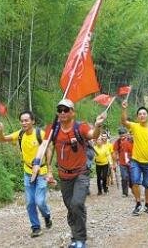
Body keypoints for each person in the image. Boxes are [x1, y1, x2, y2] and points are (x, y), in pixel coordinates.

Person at [39, 99, 106, 248]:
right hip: (64, 176)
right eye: (60, 110)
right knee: (71, 207)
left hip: (81, 173)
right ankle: (75, 236)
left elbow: (92, 135)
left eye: (66, 109)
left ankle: (80, 240)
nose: (63, 112)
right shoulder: (52, 129)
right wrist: (48, 170)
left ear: (72, 112)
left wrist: (98, 125)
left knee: (76, 204)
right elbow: (47, 148)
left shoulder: (79, 127)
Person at [0, 110, 52, 238]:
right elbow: (3, 139)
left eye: (26, 120)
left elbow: (48, 150)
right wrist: (0, 130)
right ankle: (36, 227)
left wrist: (49, 170)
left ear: (33, 121)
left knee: (40, 201)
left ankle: (47, 215)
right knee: (30, 202)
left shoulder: (40, 134)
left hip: (41, 172)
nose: (24, 123)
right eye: (22, 121)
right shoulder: (20, 134)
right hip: (28, 172)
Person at [121, 101, 148, 216]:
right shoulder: (135, 127)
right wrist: (124, 109)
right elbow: (124, 121)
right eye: (140, 114)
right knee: (135, 181)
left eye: (144, 113)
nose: (142, 115)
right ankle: (138, 203)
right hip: (136, 161)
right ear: (137, 117)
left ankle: (147, 204)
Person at [112, 127, 133, 197]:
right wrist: (114, 164)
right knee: (124, 177)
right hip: (122, 163)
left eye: (123, 133)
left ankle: (133, 189)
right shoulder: (117, 142)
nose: (122, 135)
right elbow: (114, 153)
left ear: (126, 133)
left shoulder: (131, 141)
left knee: (132, 177)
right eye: (120, 133)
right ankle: (125, 193)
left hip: (131, 162)